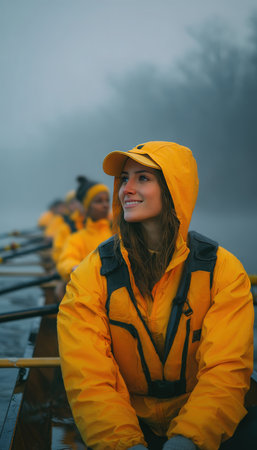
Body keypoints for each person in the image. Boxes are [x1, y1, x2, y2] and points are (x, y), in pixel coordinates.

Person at [57, 141, 254, 450]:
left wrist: (189, 438)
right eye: (124, 179)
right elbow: (89, 378)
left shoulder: (224, 271)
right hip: (127, 423)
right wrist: (124, 443)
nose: (126, 189)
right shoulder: (88, 275)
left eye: (143, 178)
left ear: (174, 189)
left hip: (202, 423)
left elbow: (226, 370)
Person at [57, 176, 113, 282]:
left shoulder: (118, 229)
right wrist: (74, 268)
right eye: (99, 201)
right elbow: (66, 260)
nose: (105, 205)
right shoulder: (75, 237)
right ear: (86, 207)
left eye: (107, 200)